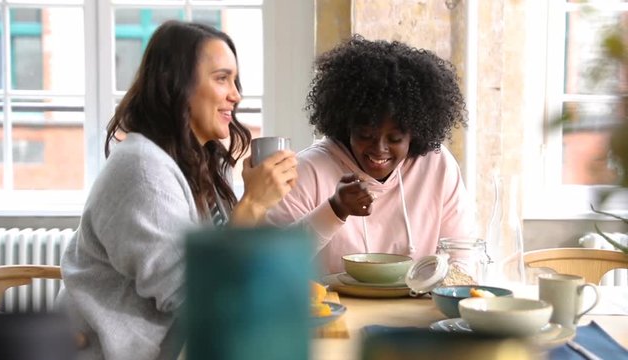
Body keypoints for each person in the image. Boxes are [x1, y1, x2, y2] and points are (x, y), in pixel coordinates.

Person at [57, 20, 297, 360]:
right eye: (221, 78)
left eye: (235, 80)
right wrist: (253, 205)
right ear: (178, 86)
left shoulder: (200, 161)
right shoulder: (143, 171)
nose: (236, 95)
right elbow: (195, 298)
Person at [266, 35, 474, 275]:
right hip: (330, 310)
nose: (379, 149)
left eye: (395, 139)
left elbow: (462, 256)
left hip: (417, 310)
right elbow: (270, 264)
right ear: (347, 126)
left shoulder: (437, 166)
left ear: (415, 134)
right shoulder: (308, 169)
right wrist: (335, 209)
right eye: (366, 135)